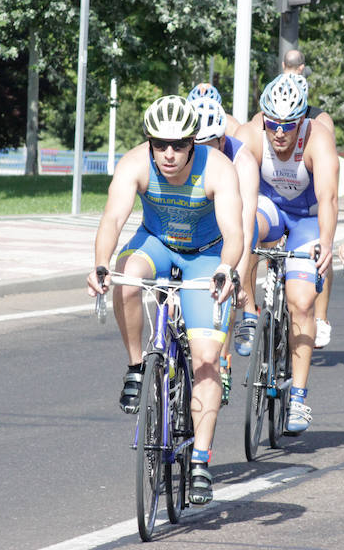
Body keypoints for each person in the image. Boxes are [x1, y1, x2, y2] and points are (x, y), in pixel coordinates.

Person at [86, 95, 244, 505]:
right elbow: (113, 218)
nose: (169, 154)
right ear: (150, 143)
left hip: (207, 255)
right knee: (127, 278)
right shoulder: (135, 163)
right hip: (156, 243)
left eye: (178, 145)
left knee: (206, 360)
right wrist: (101, 264)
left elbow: (234, 233)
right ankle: (138, 367)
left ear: (193, 144)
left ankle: (201, 462)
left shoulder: (218, 169)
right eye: (160, 144)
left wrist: (227, 268)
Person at [233, 73, 339, 433]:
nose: (279, 133)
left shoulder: (317, 139)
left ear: (301, 121)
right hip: (270, 209)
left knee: (302, 302)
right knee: (245, 233)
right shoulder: (250, 135)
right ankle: (249, 314)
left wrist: (326, 240)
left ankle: (298, 397)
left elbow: (328, 198)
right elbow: (232, 195)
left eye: (288, 125)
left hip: (307, 220)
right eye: (273, 123)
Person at [189, 95, 259, 406]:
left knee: (226, 286)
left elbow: (242, 228)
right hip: (199, 222)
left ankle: (224, 358)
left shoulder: (241, 161)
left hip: (234, 221)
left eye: (210, 145)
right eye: (196, 145)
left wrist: (238, 280)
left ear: (222, 140)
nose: (203, 154)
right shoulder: (183, 155)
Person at [281, 49, 336, 349]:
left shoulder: (320, 119)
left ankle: (321, 316)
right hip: (281, 198)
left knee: (320, 254)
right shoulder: (273, 115)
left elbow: (327, 167)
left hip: (311, 196)